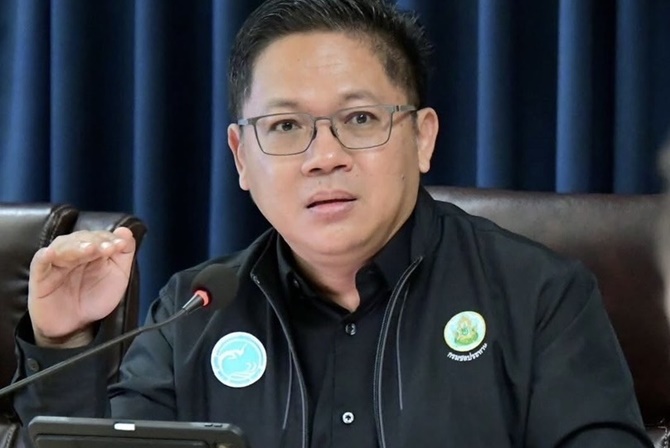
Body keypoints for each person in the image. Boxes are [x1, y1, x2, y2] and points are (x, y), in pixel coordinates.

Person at [12, 0, 652, 447]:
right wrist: (65, 345)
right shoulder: (193, 312)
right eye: (286, 126)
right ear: (241, 157)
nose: (324, 156)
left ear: (423, 138)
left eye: (360, 119)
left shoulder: (540, 297)